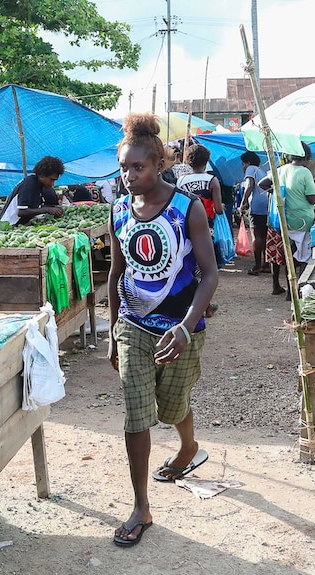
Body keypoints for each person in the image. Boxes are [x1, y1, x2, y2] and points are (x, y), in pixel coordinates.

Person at [107, 113, 218, 548]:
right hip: (133, 325)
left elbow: (209, 275)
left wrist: (186, 327)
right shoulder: (118, 210)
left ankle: (187, 447)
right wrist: (112, 332)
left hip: (181, 330)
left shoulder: (186, 208)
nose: (129, 175)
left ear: (158, 165)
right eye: (123, 167)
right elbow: (118, 272)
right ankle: (141, 506)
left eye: (138, 167)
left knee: (172, 409)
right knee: (136, 414)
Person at [177, 144, 223, 317]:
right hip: (205, 230)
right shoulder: (212, 181)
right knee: (206, 268)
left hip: (183, 229)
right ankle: (206, 305)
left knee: (188, 267)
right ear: (206, 161)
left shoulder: (181, 181)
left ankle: (193, 304)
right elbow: (218, 209)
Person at [270, 144, 315, 285]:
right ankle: (299, 288)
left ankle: (290, 289)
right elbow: (312, 198)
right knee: (304, 257)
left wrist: (278, 193)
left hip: (284, 219)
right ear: (306, 157)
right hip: (302, 221)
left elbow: (262, 183)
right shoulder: (304, 172)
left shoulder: (281, 170)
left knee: (290, 256)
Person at [0, 156, 65, 226]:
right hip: (7, 225)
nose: (52, 184)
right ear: (42, 175)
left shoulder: (39, 186)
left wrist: (52, 208)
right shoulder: (29, 183)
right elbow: (21, 212)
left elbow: (34, 208)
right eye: (51, 180)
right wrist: (47, 209)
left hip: (20, 225)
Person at [239, 151, 268, 276]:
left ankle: (257, 266)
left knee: (256, 234)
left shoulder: (250, 169)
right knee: (265, 235)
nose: (243, 167)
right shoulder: (261, 170)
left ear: (248, 163)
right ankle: (266, 264)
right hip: (267, 204)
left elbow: (250, 185)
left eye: (243, 164)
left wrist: (243, 202)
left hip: (257, 204)